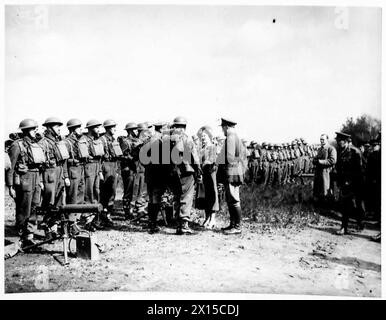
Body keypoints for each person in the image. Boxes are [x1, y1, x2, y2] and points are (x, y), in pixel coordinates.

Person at [6, 119, 46, 247]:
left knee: (34, 208)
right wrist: (10, 186)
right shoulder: (17, 145)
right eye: (33, 129)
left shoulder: (36, 145)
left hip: (35, 179)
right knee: (24, 209)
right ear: (25, 130)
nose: (35, 131)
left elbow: (39, 166)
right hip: (24, 181)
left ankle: (30, 236)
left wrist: (39, 181)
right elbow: (10, 168)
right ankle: (23, 237)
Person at [168, 116, 202, 234]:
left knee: (177, 197)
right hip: (186, 171)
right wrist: (198, 171)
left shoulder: (167, 140)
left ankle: (178, 224)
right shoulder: (187, 139)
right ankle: (184, 224)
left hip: (172, 172)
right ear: (184, 127)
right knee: (186, 197)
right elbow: (195, 158)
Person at [39, 117, 70, 236]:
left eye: (59, 126)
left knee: (59, 201)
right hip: (49, 174)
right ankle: (47, 227)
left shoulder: (59, 142)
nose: (58, 129)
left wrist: (66, 176)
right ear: (49, 128)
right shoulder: (43, 143)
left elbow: (64, 160)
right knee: (49, 202)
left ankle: (54, 227)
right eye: (56, 126)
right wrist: (40, 180)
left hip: (59, 173)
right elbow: (39, 164)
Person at [335, 132, 365, 235]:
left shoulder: (355, 152)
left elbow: (360, 170)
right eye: (338, 141)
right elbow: (339, 168)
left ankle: (360, 222)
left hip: (356, 183)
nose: (339, 143)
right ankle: (344, 227)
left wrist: (351, 181)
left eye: (340, 141)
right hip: (345, 183)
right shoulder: (340, 151)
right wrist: (339, 181)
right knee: (345, 205)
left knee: (358, 204)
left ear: (347, 141)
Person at [217, 118, 244, 235]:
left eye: (222, 127)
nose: (222, 130)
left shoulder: (231, 138)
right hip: (233, 171)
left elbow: (230, 157)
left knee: (233, 200)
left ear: (226, 127)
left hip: (232, 172)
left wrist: (219, 160)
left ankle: (237, 226)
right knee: (230, 200)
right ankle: (233, 224)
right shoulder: (233, 137)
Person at [99, 119, 123, 227]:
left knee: (113, 193)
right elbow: (99, 157)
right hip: (106, 166)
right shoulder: (102, 140)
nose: (115, 129)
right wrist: (100, 171)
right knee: (105, 192)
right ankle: (103, 215)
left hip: (113, 166)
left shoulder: (113, 140)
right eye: (113, 127)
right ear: (108, 128)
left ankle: (108, 214)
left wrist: (117, 170)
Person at [197, 125, 219, 229]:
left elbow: (211, 161)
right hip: (203, 175)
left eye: (205, 136)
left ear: (210, 136)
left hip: (211, 174)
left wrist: (202, 166)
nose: (203, 138)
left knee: (212, 195)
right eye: (202, 136)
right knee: (205, 197)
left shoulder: (213, 147)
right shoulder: (202, 149)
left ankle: (213, 219)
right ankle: (207, 217)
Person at [118, 122, 140, 218]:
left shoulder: (136, 140)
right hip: (127, 169)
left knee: (133, 190)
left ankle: (130, 210)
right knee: (128, 191)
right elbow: (121, 155)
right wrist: (131, 157)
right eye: (135, 129)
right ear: (130, 130)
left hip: (133, 168)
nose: (137, 131)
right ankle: (127, 212)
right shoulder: (125, 141)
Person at [64, 118, 85, 205]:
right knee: (72, 195)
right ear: (72, 129)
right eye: (78, 127)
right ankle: (71, 217)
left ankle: (78, 216)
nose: (81, 129)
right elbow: (64, 161)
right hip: (72, 170)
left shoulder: (79, 141)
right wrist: (65, 176)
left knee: (81, 192)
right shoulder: (66, 142)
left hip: (80, 169)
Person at [313, 134, 337, 205]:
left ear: (327, 140)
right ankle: (320, 203)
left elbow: (333, 160)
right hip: (319, 171)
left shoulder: (331, 149)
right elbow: (317, 157)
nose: (321, 141)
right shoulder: (320, 149)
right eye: (320, 139)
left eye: (323, 139)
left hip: (327, 172)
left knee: (326, 188)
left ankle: (328, 203)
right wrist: (314, 160)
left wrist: (320, 161)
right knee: (318, 188)